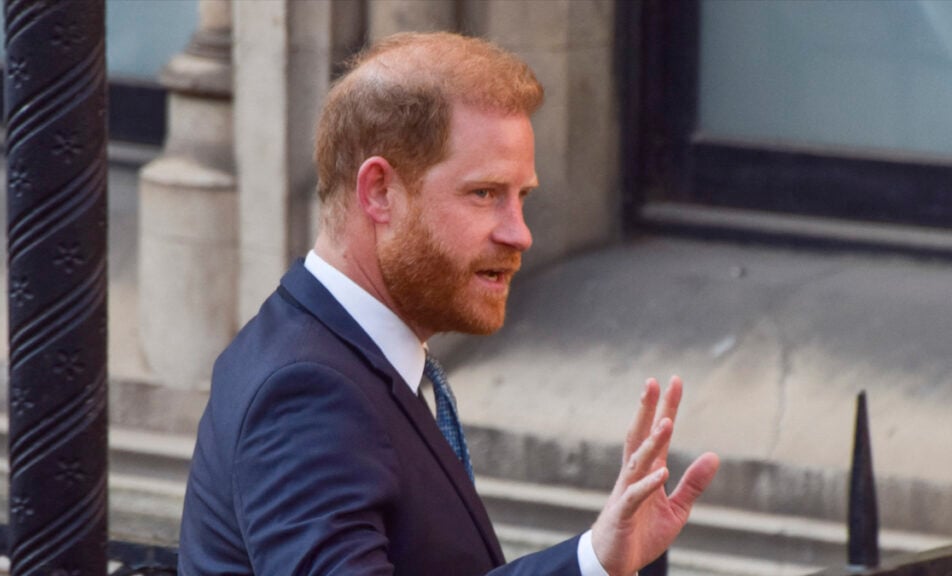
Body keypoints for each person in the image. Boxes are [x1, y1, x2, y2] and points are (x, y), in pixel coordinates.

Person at [178, 31, 719, 575]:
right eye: (484, 193)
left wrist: (601, 558)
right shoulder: (306, 392)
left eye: (522, 196)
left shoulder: (335, 355)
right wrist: (590, 563)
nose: (520, 234)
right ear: (379, 193)